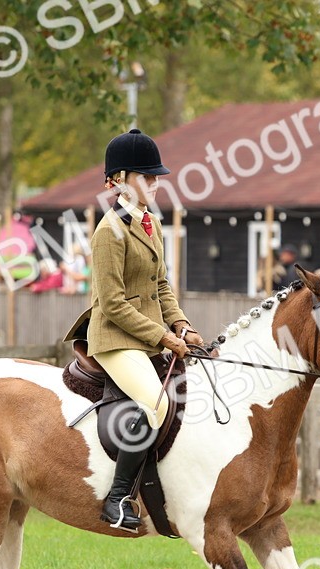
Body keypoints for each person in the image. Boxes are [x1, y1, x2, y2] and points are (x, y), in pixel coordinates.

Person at [63, 128, 204, 531]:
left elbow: (161, 286)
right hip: (114, 337)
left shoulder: (150, 223)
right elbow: (113, 304)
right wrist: (164, 337)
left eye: (156, 177)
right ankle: (117, 498)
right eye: (147, 177)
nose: (155, 184)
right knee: (155, 403)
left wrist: (182, 324)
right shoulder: (108, 232)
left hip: (147, 335)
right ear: (119, 180)